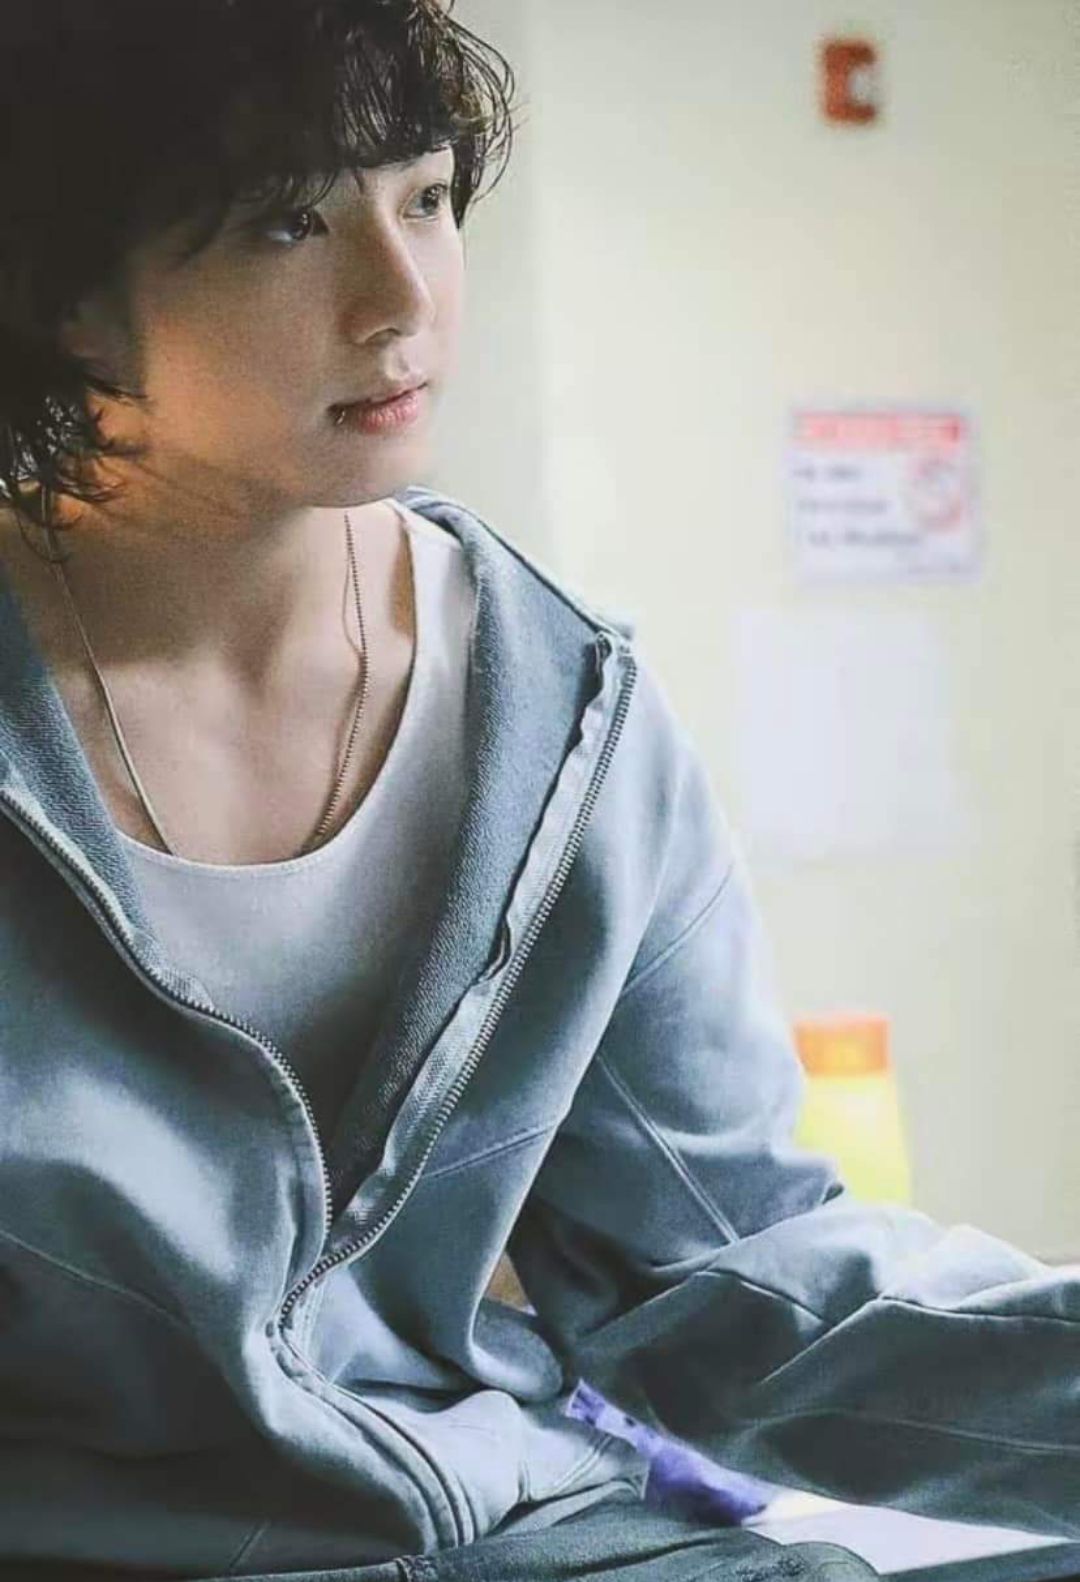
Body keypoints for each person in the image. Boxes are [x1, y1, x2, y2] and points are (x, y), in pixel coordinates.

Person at [0, 3, 1075, 1579]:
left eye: (428, 198)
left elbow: (730, 1278)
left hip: (546, 1536)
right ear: (69, 300)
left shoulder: (568, 712)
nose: (403, 299)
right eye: (290, 222)